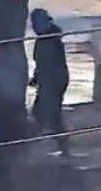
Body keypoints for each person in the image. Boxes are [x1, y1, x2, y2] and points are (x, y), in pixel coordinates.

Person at [29, 8, 70, 155]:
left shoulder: (49, 40)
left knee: (51, 115)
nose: (35, 27)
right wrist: (36, 78)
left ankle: (63, 147)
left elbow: (49, 65)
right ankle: (33, 147)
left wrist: (43, 81)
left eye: (37, 23)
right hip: (51, 81)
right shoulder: (46, 38)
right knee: (41, 113)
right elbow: (41, 64)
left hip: (53, 81)